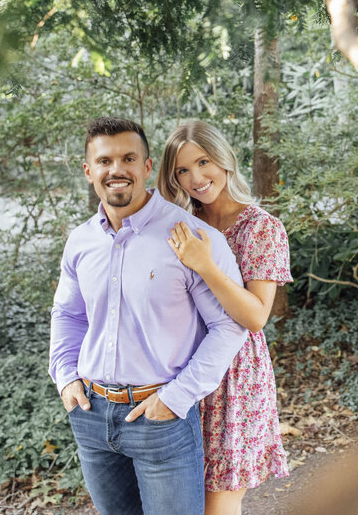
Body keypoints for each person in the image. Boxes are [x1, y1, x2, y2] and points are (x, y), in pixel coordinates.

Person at [49, 117, 248, 515]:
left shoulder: (190, 236)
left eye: (128, 158)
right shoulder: (80, 241)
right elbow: (68, 313)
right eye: (104, 161)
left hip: (161, 419)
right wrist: (65, 376)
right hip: (90, 415)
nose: (116, 169)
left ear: (146, 166)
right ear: (89, 171)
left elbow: (230, 325)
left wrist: (176, 398)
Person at [159, 119, 292, 515]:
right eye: (182, 170)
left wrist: (207, 266)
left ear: (224, 159)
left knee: (217, 505)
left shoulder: (261, 228)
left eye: (203, 162)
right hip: (178, 369)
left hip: (233, 379)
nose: (196, 178)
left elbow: (255, 316)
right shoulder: (179, 225)